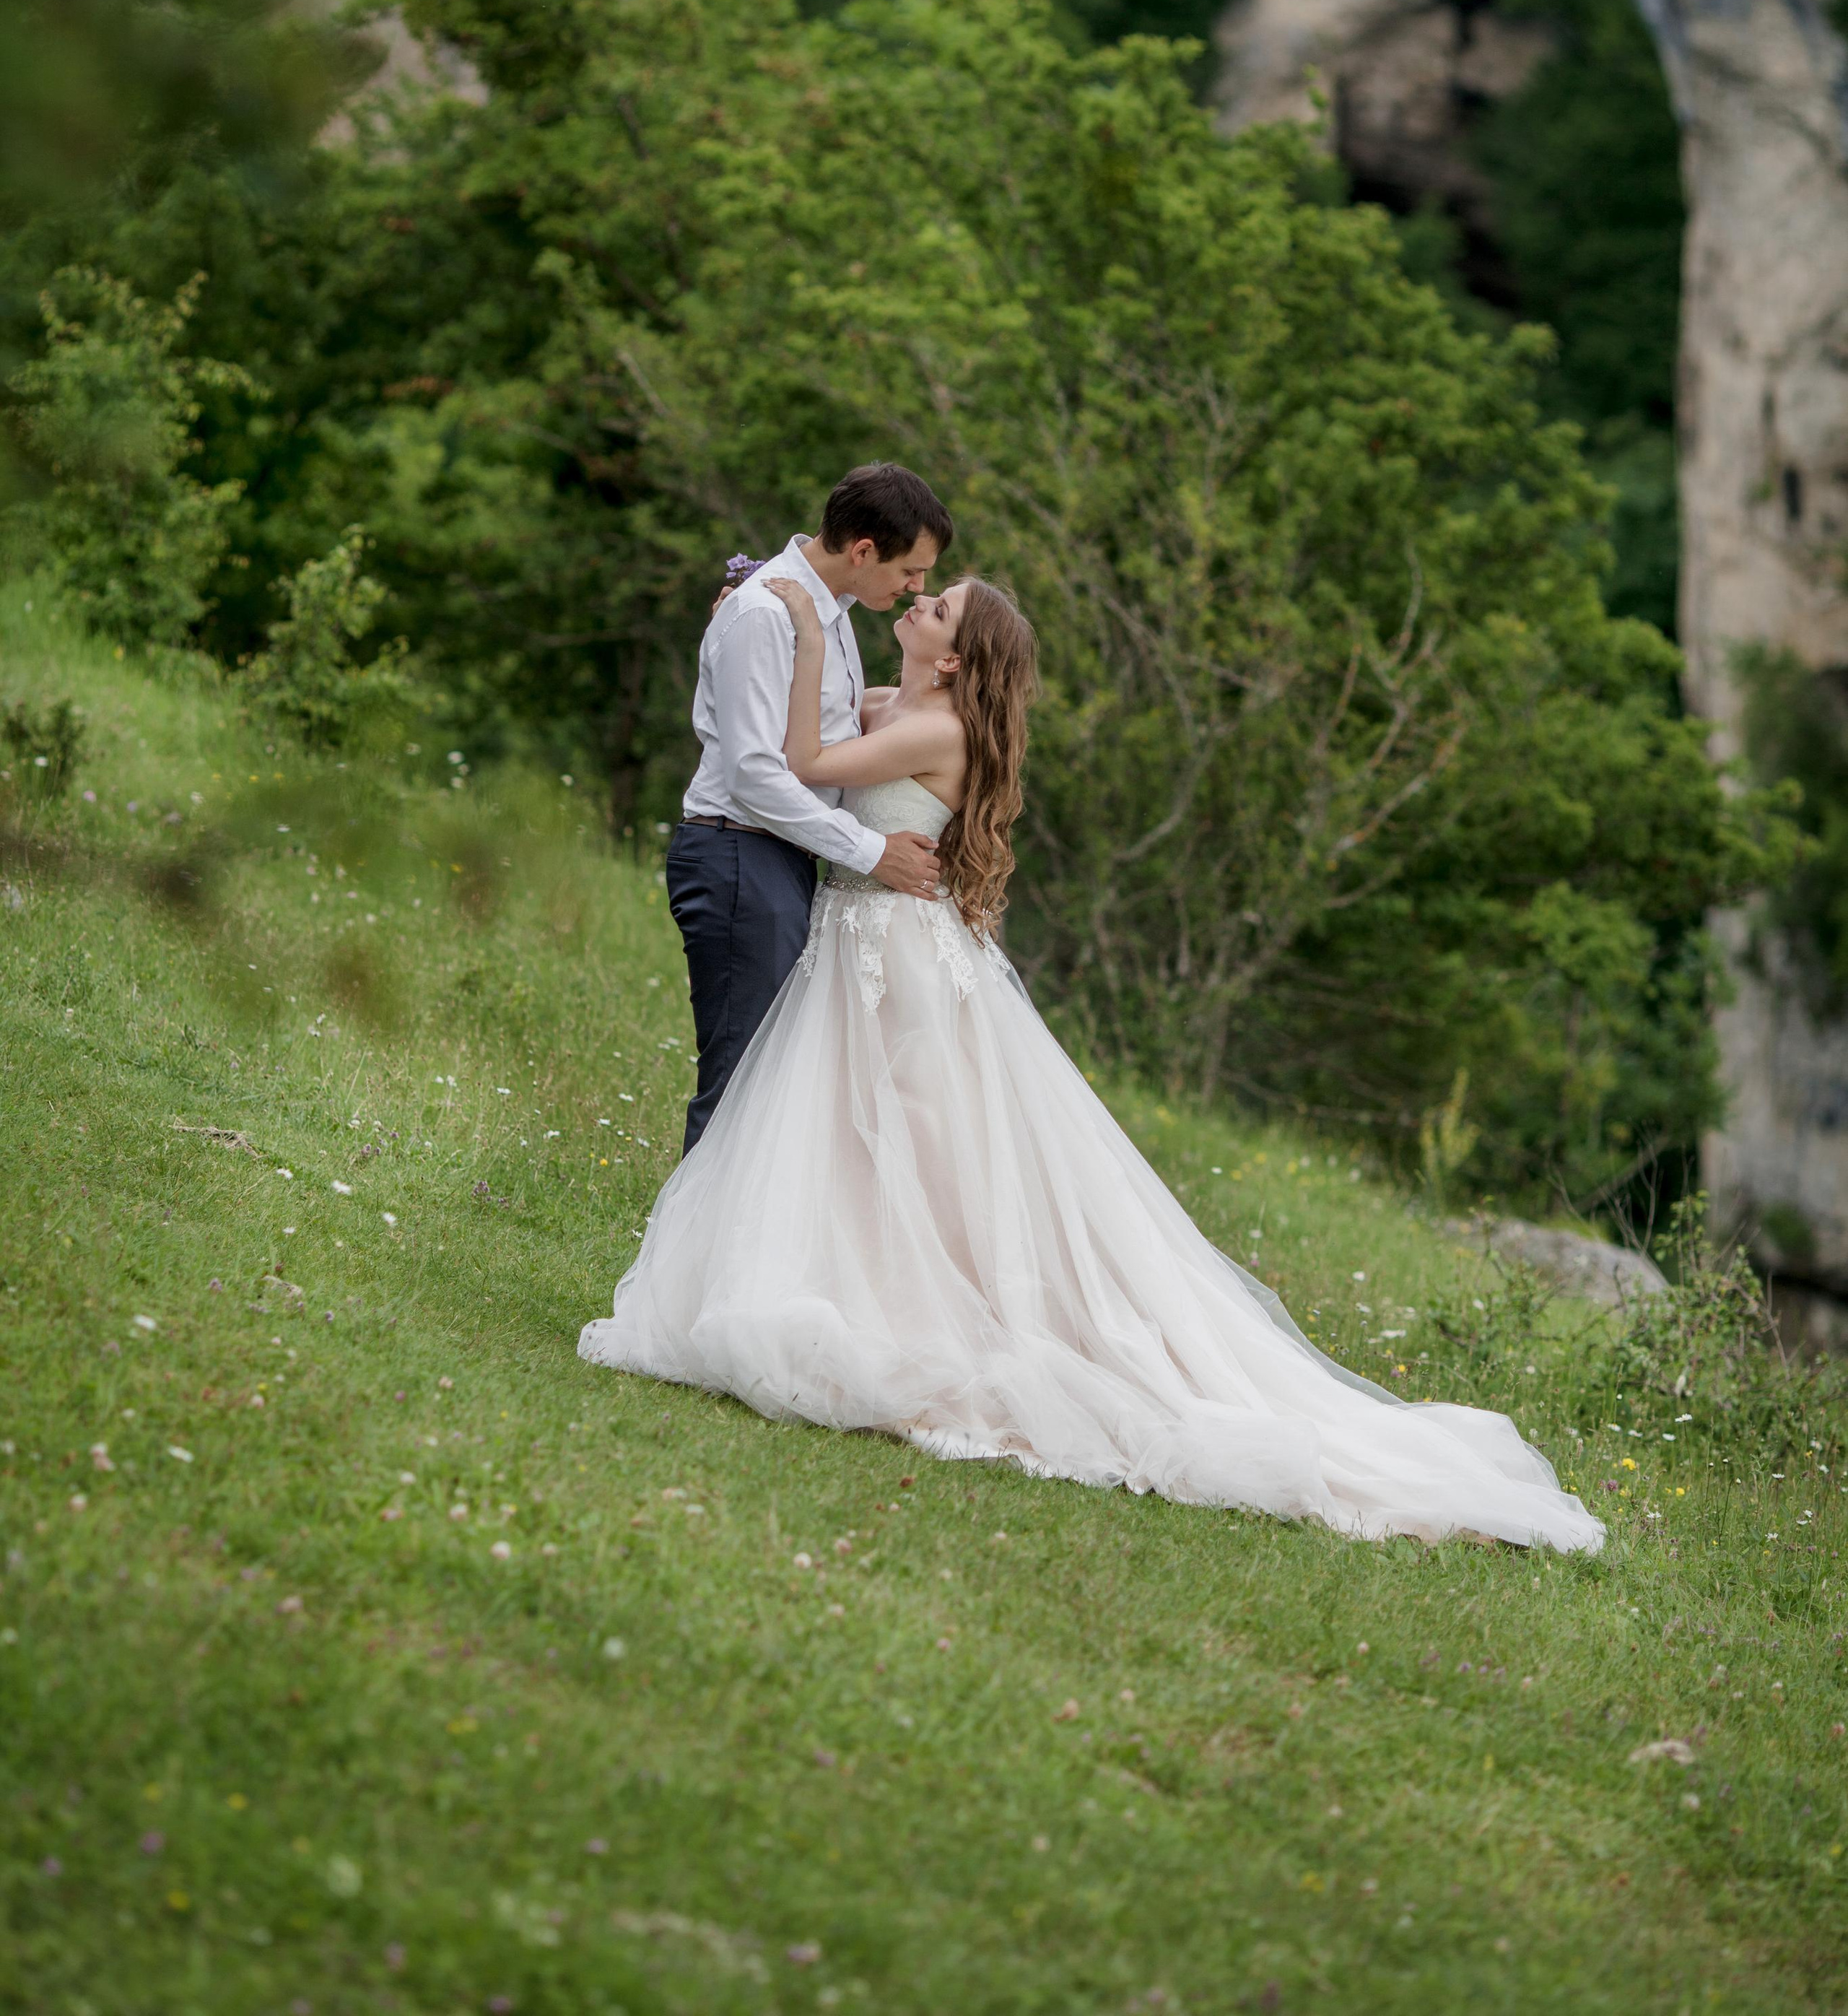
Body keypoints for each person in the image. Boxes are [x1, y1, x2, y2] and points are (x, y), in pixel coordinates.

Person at [583, 565, 1605, 1553]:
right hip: (857, 942)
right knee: (859, 1138)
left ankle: (943, 1320)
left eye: (939, 606)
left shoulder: (941, 727)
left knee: (920, 1144)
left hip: (899, 956)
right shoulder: (896, 703)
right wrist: (749, 629)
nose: (920, 601)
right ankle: (862, 1294)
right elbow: (806, 722)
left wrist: (804, 630)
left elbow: (804, 760)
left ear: (955, 658)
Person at [666, 461, 953, 1155]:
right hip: (741, 851)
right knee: (741, 1080)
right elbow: (755, 776)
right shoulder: (766, 615)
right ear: (863, 551)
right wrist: (871, 852)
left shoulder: (826, 615)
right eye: (910, 571)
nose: (917, 587)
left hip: (779, 858)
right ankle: (700, 1229)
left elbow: (828, 747)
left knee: (770, 1081)